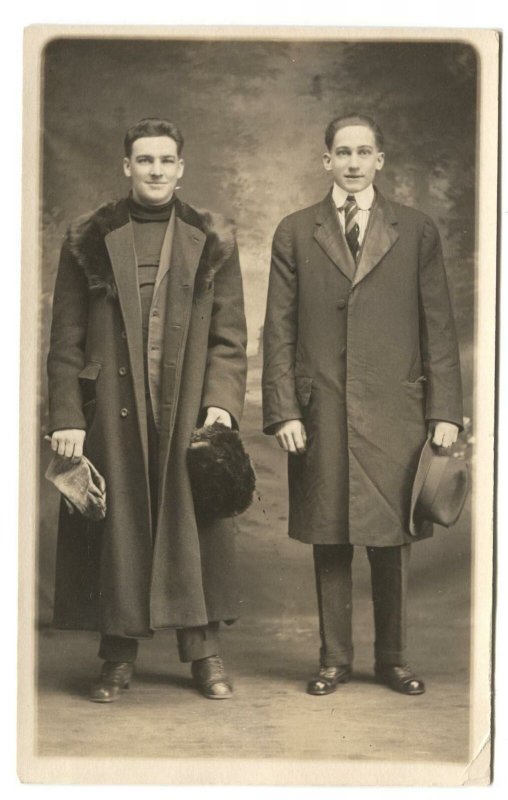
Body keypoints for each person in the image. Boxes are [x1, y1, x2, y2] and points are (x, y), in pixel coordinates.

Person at [47, 118, 248, 702]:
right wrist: (67, 414)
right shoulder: (87, 238)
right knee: (121, 529)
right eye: (144, 160)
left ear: (181, 168)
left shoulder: (213, 238)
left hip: (186, 408)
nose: (155, 169)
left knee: (192, 525)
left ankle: (203, 653)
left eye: (166, 160)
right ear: (126, 167)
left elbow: (230, 340)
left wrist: (221, 405)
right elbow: (65, 339)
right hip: (113, 406)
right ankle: (116, 656)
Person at [262, 113, 463, 696]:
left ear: (380, 160)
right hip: (320, 410)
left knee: (391, 540)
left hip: (396, 413)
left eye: (364, 152)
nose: (352, 163)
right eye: (342, 152)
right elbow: (277, 329)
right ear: (326, 160)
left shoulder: (416, 230)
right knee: (331, 535)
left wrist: (444, 410)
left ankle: (393, 659)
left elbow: (439, 329)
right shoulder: (295, 231)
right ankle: (334, 658)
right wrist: (284, 410)